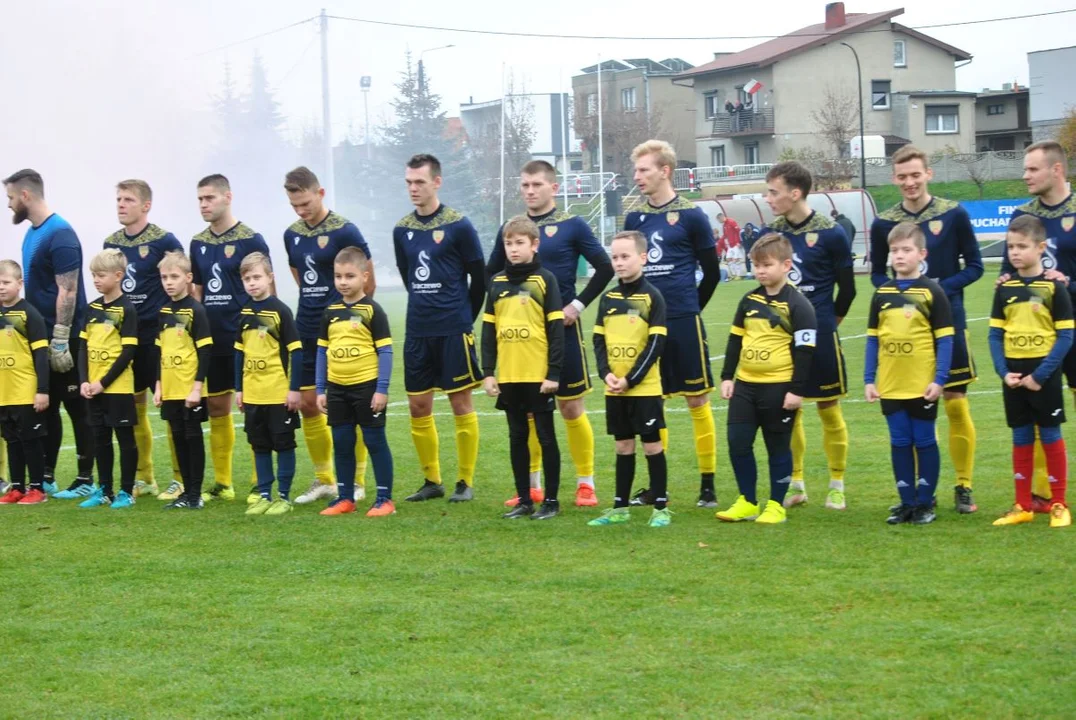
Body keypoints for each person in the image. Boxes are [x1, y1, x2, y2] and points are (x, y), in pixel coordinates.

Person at [485, 159, 613, 508]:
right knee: (527, 411)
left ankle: (585, 483)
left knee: (571, 407)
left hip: (561, 332)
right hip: (520, 339)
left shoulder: (572, 225)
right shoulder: (511, 229)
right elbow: (491, 273)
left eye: (536, 185)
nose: (529, 191)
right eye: (524, 185)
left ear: (553, 188)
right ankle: (532, 486)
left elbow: (604, 267)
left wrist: (577, 306)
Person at [870, 146, 983, 514]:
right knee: (911, 410)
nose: (910, 182)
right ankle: (917, 495)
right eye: (902, 176)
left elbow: (976, 266)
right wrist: (907, 294)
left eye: (915, 175)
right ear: (894, 179)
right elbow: (875, 274)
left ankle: (963, 485)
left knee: (953, 401)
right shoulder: (884, 222)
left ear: (928, 174)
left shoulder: (953, 214)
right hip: (905, 332)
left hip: (950, 321)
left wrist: (935, 291)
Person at [622, 139, 721, 508]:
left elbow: (710, 273)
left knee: (697, 398)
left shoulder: (693, 216)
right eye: (636, 170)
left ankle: (707, 485)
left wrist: (691, 308)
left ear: (665, 171)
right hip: (645, 327)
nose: (637, 177)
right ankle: (655, 486)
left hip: (682, 320)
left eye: (644, 170)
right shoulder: (634, 219)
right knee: (650, 404)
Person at [762, 161, 856, 510]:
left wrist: (826, 323)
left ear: (795, 192)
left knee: (829, 408)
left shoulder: (831, 233)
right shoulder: (770, 235)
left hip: (821, 336)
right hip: (780, 339)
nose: (768, 198)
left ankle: (837, 483)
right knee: (789, 409)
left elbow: (847, 291)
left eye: (773, 191)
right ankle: (796, 483)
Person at [393, 154, 485, 504]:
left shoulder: (459, 225)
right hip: (418, 329)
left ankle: (465, 481)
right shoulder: (402, 229)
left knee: (460, 402)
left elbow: (479, 277)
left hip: (453, 329)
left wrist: (465, 317)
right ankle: (432, 480)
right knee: (418, 405)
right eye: (408, 182)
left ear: (437, 182)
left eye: (419, 182)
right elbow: (407, 277)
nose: (413, 189)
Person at [282, 167, 376, 507]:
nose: (301, 211)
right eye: (294, 205)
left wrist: (351, 319)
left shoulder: (345, 230)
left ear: (320, 193)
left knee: (350, 403)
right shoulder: (291, 234)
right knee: (308, 404)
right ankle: (324, 479)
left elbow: (368, 278)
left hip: (343, 329)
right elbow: (300, 277)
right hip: (307, 326)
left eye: (305, 203)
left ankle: (357, 481)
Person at [715, 233, 816, 525]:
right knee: (738, 442)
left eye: (766, 265)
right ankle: (747, 501)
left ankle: (776, 505)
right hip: (745, 386)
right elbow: (735, 341)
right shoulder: (748, 300)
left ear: (786, 265)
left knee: (777, 447)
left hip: (779, 388)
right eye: (756, 265)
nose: (760, 271)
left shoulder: (798, 305)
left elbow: (806, 352)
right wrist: (727, 376)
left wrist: (796, 391)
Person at [997, 141, 1076, 513]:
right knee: (1038, 414)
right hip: (1034, 334)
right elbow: (1006, 273)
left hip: (1069, 327)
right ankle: (1043, 495)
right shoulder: (1023, 214)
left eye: (1032, 169)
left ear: (1056, 170)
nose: (1025, 175)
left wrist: (1066, 282)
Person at [4, 169, 92, 497]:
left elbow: (67, 291)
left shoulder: (61, 234)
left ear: (25, 196)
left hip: (64, 336)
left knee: (76, 407)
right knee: (48, 406)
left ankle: (85, 478)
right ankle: (48, 474)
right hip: (41, 336)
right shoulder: (31, 234)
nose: (9, 205)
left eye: (11, 198)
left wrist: (60, 339)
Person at [864, 222, 954, 525]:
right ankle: (906, 502)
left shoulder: (932, 292)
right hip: (891, 384)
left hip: (921, 383)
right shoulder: (882, 293)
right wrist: (868, 379)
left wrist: (939, 379)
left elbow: (945, 339)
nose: (899, 256)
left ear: (922, 253)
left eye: (906, 250)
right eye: (894, 251)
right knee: (900, 441)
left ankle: (925, 503)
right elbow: (873, 339)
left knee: (925, 440)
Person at [189, 174, 271, 503]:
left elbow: (266, 288)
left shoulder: (252, 239)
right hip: (213, 338)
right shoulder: (197, 242)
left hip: (247, 338)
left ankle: (258, 482)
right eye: (199, 199)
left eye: (209, 198)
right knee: (216, 407)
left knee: (253, 409)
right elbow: (197, 291)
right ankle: (223, 483)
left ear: (228, 197)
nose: (204, 205)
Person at [990, 215, 1072, 529]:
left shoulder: (1054, 287)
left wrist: (1041, 374)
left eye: (1022, 246)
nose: (1015, 252)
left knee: (1050, 435)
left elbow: (1065, 336)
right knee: (1021, 437)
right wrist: (1003, 371)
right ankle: (1023, 505)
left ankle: (1059, 504)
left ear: (1040, 248)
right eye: (1011, 246)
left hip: (1044, 374)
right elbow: (995, 335)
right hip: (1014, 374)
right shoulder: (1004, 289)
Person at [104, 179, 184, 498]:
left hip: (158, 335)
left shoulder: (165, 240)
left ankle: (179, 478)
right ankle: (144, 477)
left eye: (127, 199)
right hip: (126, 336)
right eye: (118, 199)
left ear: (145, 205)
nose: (121, 204)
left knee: (170, 404)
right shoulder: (111, 243)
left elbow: (182, 284)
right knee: (133, 406)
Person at [482, 216, 565, 520]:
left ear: (534, 245)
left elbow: (556, 331)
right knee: (517, 437)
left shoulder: (545, 280)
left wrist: (553, 373)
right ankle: (524, 500)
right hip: (510, 375)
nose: (513, 249)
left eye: (519, 243)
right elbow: (489, 333)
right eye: (508, 243)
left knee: (545, 436)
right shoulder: (497, 283)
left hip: (538, 375)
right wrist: (489, 372)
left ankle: (552, 501)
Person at [587, 231, 672, 528]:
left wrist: (631, 379)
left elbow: (655, 345)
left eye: (625, 256)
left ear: (642, 257)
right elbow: (598, 341)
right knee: (623, 447)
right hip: (615, 389)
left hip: (644, 389)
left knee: (651, 446)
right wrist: (606, 374)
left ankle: (660, 507)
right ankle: (620, 507)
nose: (619, 263)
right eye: (615, 257)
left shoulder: (653, 297)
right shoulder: (608, 298)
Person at [315, 247, 396, 517]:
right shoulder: (330, 312)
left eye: (349, 276)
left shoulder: (373, 311)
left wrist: (381, 389)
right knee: (342, 441)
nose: (343, 282)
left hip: (366, 387)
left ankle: (384, 499)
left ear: (364, 276)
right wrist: (320, 389)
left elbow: (385, 351)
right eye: (338, 276)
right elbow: (322, 352)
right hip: (337, 389)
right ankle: (345, 498)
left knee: (374, 441)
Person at [235, 252, 302, 516]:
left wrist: (294, 389)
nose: (252, 283)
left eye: (257, 277)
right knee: (259, 446)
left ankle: (283, 497)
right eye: (247, 279)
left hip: (278, 394)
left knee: (284, 445)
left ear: (270, 278)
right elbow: (239, 353)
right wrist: (239, 388)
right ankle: (264, 494)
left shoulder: (280, 311)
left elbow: (296, 351)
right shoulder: (245, 312)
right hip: (253, 394)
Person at [77, 249, 139, 509]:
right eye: (93, 275)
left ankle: (126, 491)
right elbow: (82, 348)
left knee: (125, 439)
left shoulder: (126, 309)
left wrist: (103, 382)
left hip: (117, 387)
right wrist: (84, 381)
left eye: (100, 275)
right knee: (99, 438)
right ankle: (104, 489)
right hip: (93, 387)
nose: (95, 280)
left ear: (118, 275)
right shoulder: (90, 309)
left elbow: (128, 352)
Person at [153, 251, 212, 509]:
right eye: (164, 277)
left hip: (190, 389)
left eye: (174, 276)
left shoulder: (196, 311)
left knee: (192, 437)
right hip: (171, 388)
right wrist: (158, 385)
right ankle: (186, 492)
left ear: (188, 278)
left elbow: (205, 351)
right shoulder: (164, 311)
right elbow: (160, 350)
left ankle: (195, 494)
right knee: (178, 438)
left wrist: (197, 387)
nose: (169, 282)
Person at [0, 260, 51, 505]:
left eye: (6, 282)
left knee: (30, 441)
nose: (1, 287)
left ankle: (37, 489)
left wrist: (42, 390)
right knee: (12, 441)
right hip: (3, 392)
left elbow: (41, 355)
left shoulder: (29, 314)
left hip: (25, 390)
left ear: (20, 284)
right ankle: (17, 488)